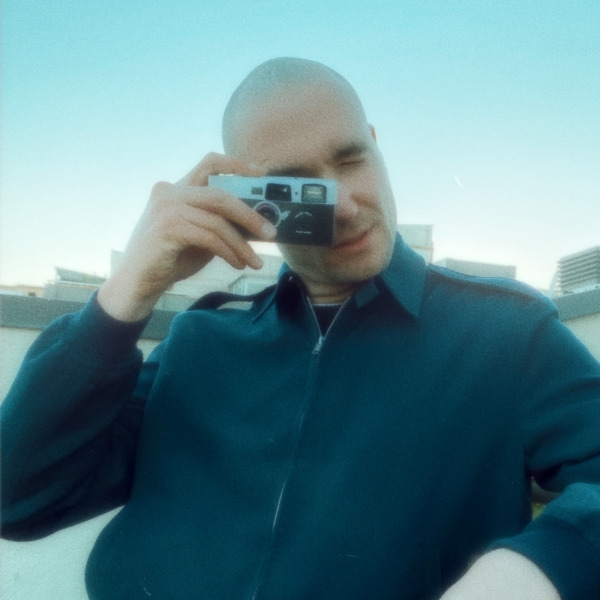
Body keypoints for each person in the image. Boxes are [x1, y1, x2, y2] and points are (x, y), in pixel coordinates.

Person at [2, 57, 600, 600]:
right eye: (296, 186)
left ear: (375, 145)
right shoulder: (199, 341)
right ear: (249, 202)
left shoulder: (506, 332)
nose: (344, 206)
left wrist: (539, 569)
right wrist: (126, 291)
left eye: (350, 159)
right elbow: (18, 499)